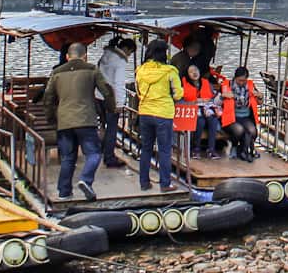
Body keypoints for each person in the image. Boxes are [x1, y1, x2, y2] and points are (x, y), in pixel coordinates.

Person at [43, 42, 115, 201]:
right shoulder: (92, 70)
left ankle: (64, 192)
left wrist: (51, 118)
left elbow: (48, 98)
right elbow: (107, 92)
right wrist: (111, 109)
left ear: (67, 56)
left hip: (64, 121)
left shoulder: (56, 73)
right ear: (85, 55)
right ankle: (86, 179)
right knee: (94, 153)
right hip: (86, 119)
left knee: (68, 158)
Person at [135, 39, 183, 192]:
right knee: (164, 150)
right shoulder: (170, 71)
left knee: (146, 148)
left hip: (145, 112)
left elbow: (138, 91)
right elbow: (178, 94)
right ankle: (165, 183)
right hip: (163, 113)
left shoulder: (140, 70)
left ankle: (144, 182)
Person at [96, 37, 136, 168]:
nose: (129, 55)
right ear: (127, 49)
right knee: (112, 128)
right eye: (130, 52)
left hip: (98, 95)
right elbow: (118, 83)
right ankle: (109, 157)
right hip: (111, 98)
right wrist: (119, 103)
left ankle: (100, 150)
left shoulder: (106, 54)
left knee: (102, 125)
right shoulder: (120, 61)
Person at [221, 66, 260, 162]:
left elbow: (259, 101)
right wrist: (222, 96)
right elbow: (216, 102)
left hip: (245, 116)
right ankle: (234, 147)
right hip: (231, 117)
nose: (242, 83)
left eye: (244, 80)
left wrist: (260, 96)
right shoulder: (227, 85)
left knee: (252, 130)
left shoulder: (251, 86)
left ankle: (244, 151)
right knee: (239, 130)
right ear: (235, 78)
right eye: (239, 80)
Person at [183, 65, 221, 159]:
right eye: (191, 72)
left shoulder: (205, 83)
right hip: (192, 110)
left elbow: (212, 98)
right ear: (187, 74)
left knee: (213, 120)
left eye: (196, 70)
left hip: (206, 107)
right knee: (200, 122)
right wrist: (195, 102)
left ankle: (211, 150)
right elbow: (181, 99)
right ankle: (196, 149)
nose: (194, 73)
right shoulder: (183, 83)